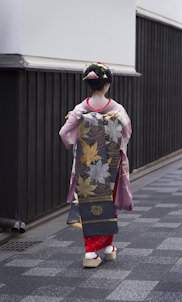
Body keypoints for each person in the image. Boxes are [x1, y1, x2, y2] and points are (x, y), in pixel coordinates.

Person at [59, 62, 133, 268]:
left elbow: (63, 133)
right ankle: (103, 249)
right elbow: (126, 133)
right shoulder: (117, 109)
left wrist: (76, 144)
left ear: (90, 85)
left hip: (87, 166)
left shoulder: (80, 109)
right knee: (109, 202)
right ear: (107, 84)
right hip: (111, 165)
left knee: (90, 205)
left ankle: (96, 250)